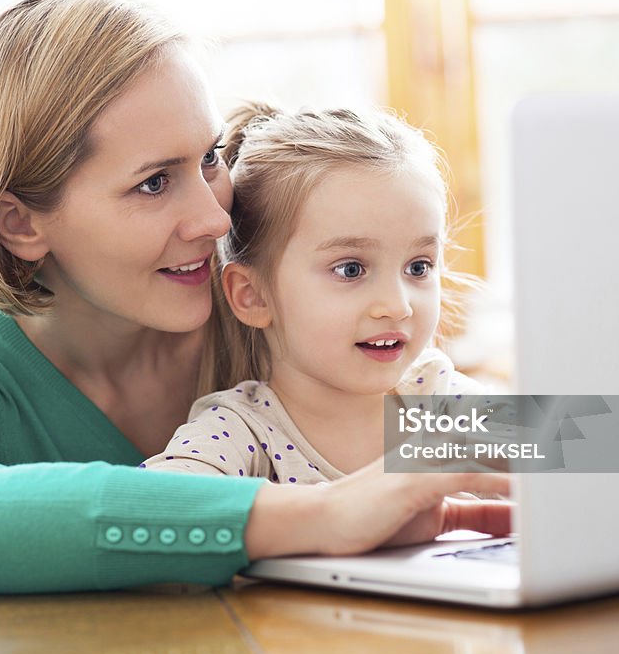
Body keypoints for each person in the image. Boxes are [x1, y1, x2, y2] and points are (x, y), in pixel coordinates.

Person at [0, 0, 511, 595]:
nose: (216, 220)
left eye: (208, 158)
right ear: (21, 223)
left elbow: (584, 436)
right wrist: (321, 514)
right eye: (153, 183)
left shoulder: (286, 313)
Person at [142, 104, 482, 481]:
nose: (397, 306)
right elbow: (152, 503)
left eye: (418, 267)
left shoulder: (439, 397)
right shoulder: (241, 430)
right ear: (253, 296)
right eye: (350, 269)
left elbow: (558, 455)